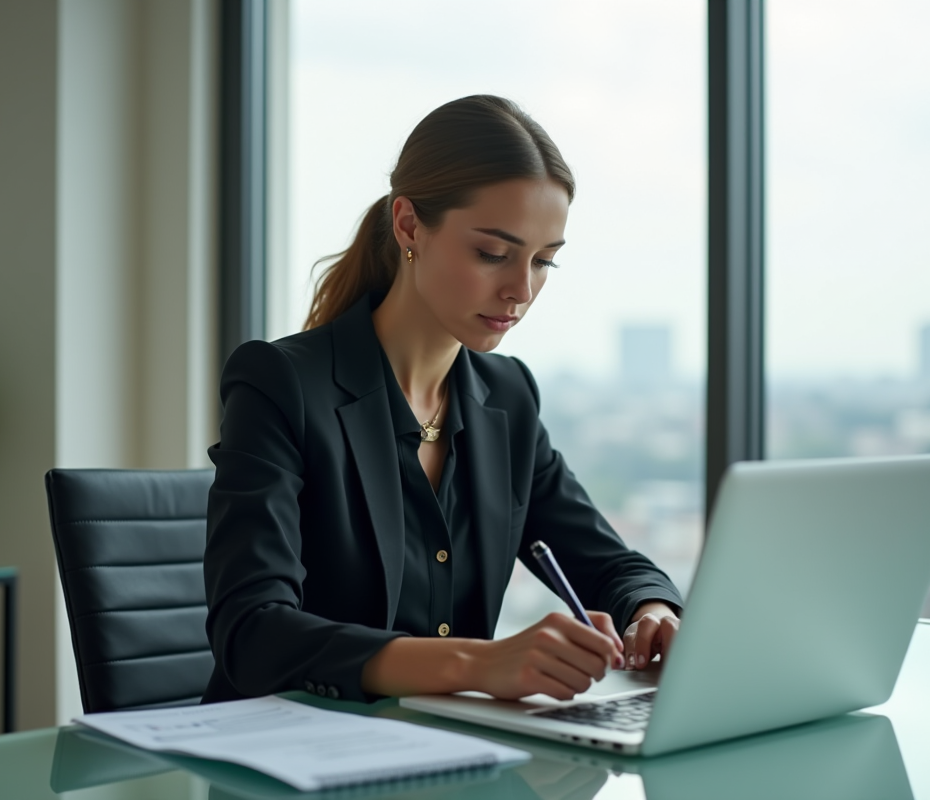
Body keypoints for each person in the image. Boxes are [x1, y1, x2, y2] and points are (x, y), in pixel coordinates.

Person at [203, 95, 682, 705]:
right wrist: (477, 664)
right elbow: (252, 633)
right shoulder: (281, 383)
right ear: (408, 226)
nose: (520, 289)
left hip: (449, 755)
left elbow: (609, 562)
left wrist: (653, 608)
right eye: (491, 253)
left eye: (543, 262)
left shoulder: (507, 398)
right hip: (285, 759)